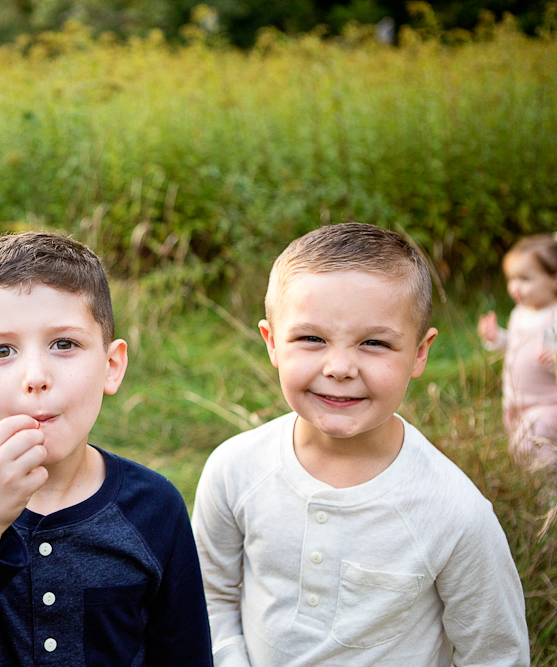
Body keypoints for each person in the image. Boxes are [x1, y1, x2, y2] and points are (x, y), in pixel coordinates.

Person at [192, 223, 529, 666]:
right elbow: (208, 597)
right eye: (312, 339)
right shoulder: (234, 469)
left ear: (420, 352)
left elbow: (496, 655)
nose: (340, 367)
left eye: (374, 343)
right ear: (272, 342)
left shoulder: (455, 513)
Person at [0, 232, 213, 666]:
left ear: (111, 366)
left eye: (64, 344)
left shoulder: (155, 506)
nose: (35, 377)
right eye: (1, 350)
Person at [478, 234, 557, 471]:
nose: (514, 287)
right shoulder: (520, 312)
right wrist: (497, 337)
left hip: (547, 403)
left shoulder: (553, 317)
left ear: (554, 279)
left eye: (524, 279)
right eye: (511, 279)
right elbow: (516, 344)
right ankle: (535, 481)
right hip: (516, 401)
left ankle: (549, 486)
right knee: (525, 448)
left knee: (526, 446)